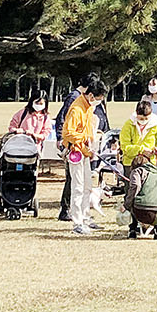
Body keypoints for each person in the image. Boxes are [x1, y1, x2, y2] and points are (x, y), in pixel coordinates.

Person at [59, 75, 105, 235]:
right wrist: (84, 139)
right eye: (98, 99)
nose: (98, 102)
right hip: (75, 152)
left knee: (87, 186)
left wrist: (91, 144)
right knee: (77, 187)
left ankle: (86, 217)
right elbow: (68, 133)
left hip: (85, 152)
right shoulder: (76, 108)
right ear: (91, 95)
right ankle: (77, 222)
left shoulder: (88, 107)